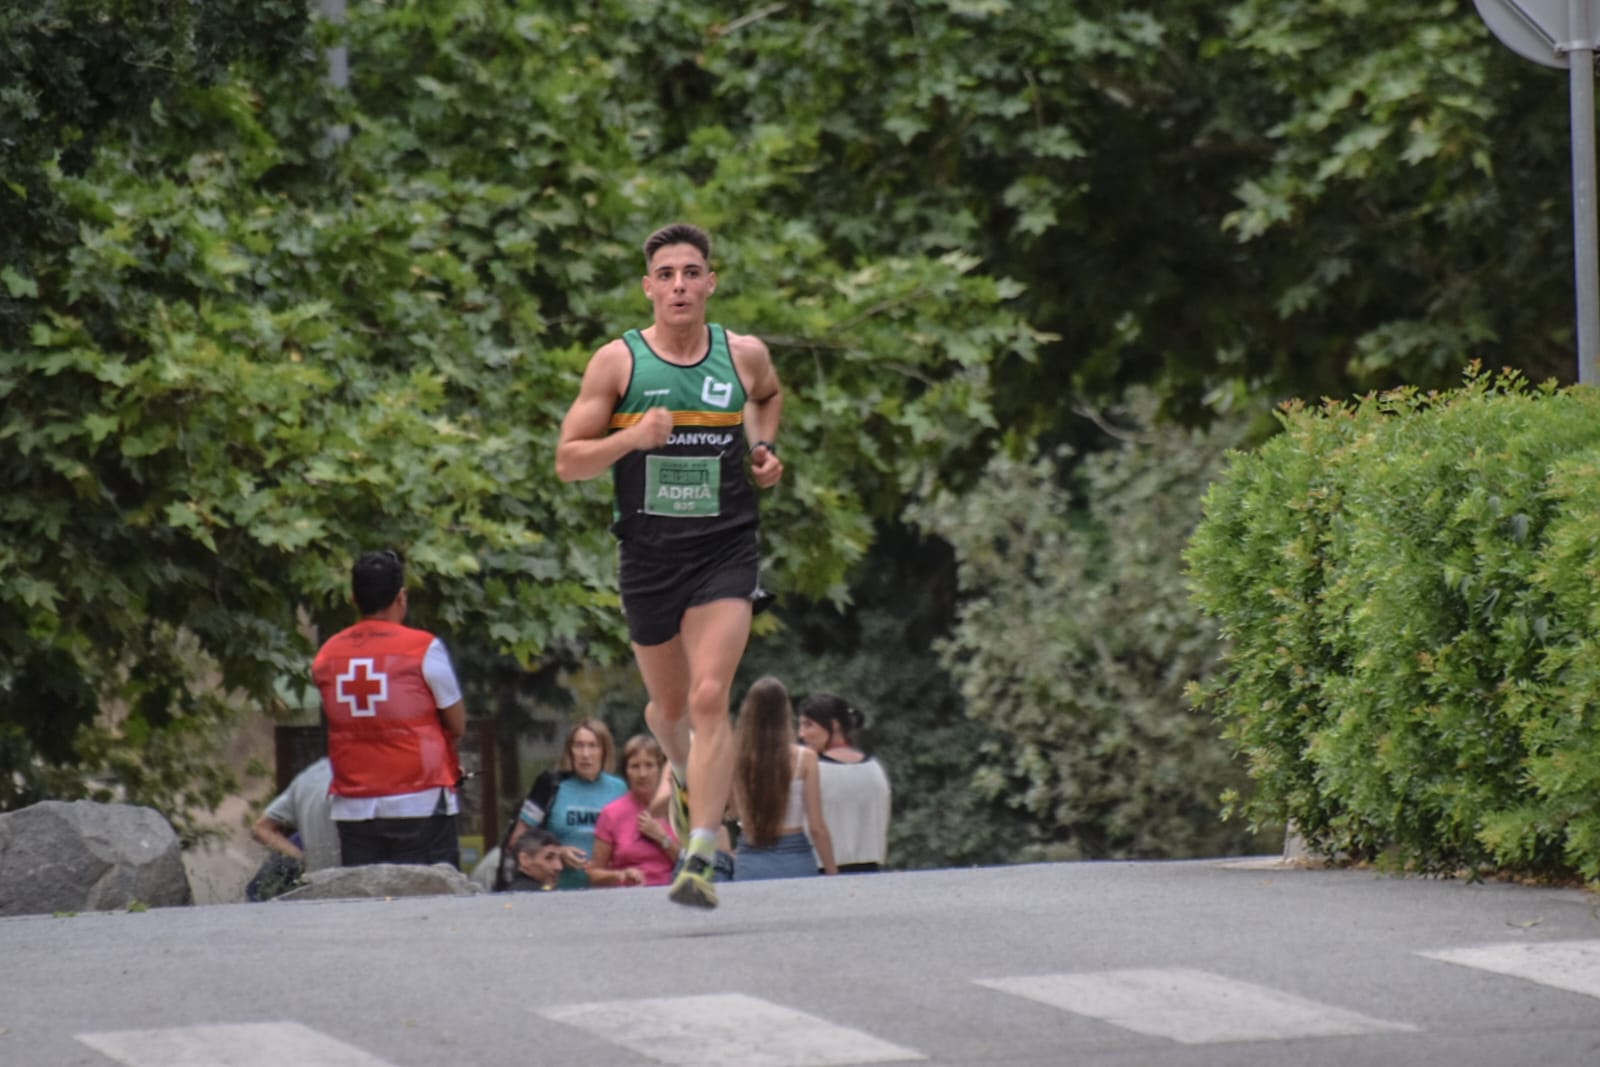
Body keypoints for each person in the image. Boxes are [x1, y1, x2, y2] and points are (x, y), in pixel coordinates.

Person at [555, 222, 785, 910]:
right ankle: (686, 774)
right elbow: (569, 460)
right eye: (667, 274)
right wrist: (632, 436)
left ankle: (701, 854)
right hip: (650, 557)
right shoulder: (617, 364)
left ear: (711, 282)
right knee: (671, 707)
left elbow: (767, 397)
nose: (680, 284)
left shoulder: (742, 356)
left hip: (725, 546)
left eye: (692, 272)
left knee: (712, 696)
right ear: (649, 287)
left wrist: (764, 449)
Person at [314, 549, 467, 868]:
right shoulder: (424, 648)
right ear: (402, 597)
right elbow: (457, 723)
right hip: (420, 800)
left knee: (367, 909)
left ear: (353, 598)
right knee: (431, 901)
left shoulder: (327, 655)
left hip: (354, 806)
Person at [492, 719, 626, 891]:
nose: (586, 754)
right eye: (579, 746)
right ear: (570, 751)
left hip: (605, 890)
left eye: (593, 746)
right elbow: (518, 841)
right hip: (555, 890)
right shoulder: (550, 786)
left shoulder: (619, 789)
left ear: (605, 751)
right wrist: (558, 852)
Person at [732, 676, 837, 881]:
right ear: (784, 713)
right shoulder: (804, 759)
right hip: (795, 856)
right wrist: (832, 870)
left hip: (751, 857)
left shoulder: (734, 758)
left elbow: (734, 810)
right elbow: (816, 826)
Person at [797, 692, 892, 873]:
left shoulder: (813, 771)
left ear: (834, 725)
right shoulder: (875, 769)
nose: (802, 734)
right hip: (871, 868)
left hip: (822, 869)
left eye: (808, 725)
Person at [589, 734, 681, 887]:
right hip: (627, 897)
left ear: (660, 769)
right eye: (635, 766)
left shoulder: (678, 809)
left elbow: (694, 865)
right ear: (626, 771)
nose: (642, 774)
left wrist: (663, 839)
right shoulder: (611, 813)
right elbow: (594, 874)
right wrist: (620, 875)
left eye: (649, 765)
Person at [247, 755, 339, 899]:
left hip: (314, 890)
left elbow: (260, 828)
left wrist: (301, 859)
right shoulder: (372, 775)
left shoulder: (310, 777)